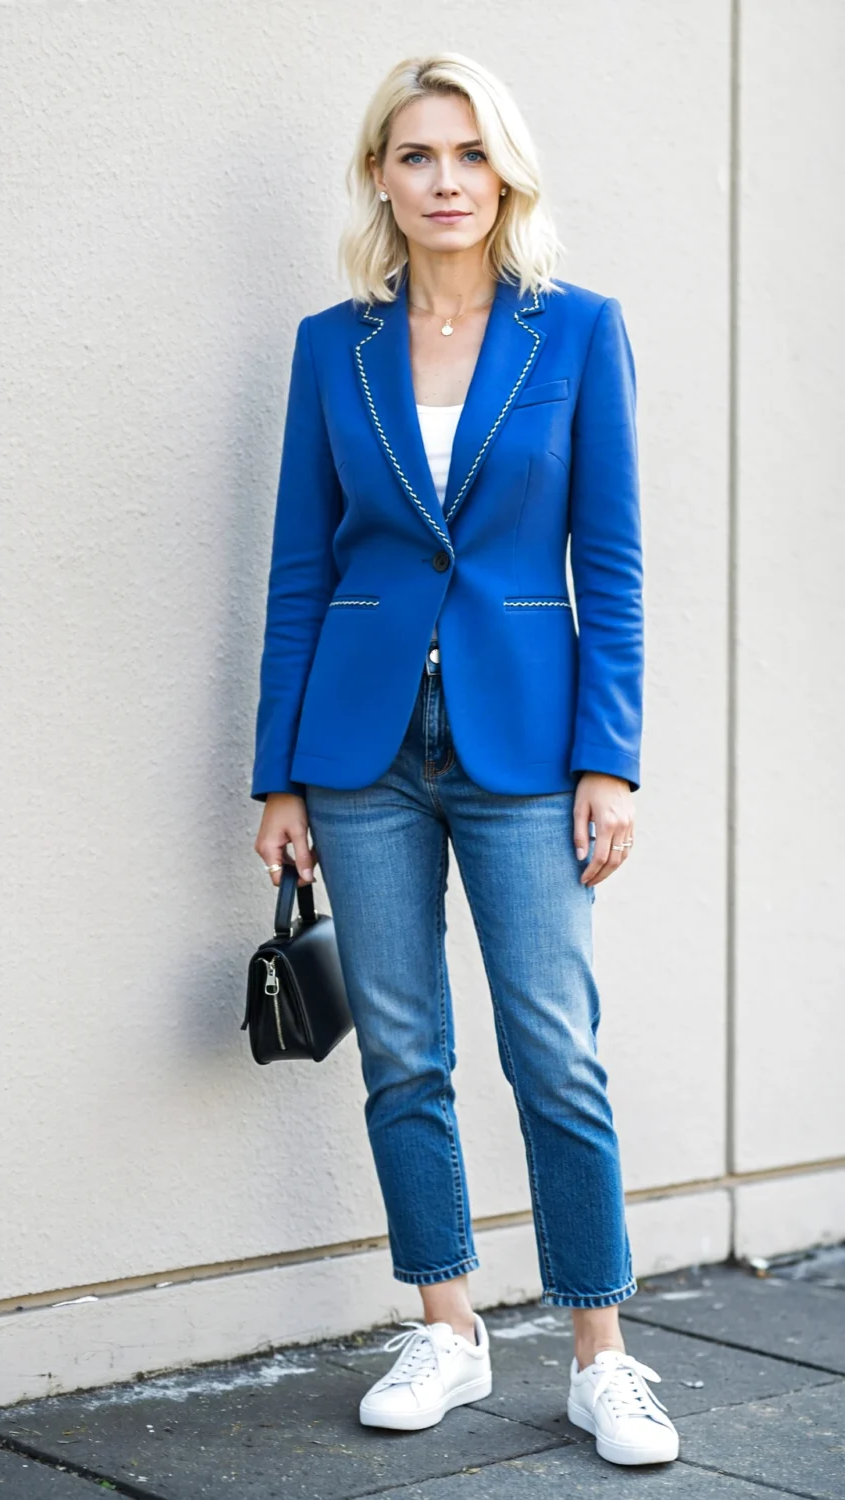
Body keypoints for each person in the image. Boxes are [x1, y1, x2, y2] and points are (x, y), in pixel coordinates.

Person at [250, 52, 679, 1467]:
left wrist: (607, 758)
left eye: (470, 156)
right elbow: (301, 571)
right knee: (405, 1057)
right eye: (418, 155)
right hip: (361, 752)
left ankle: (600, 1353)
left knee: (555, 1052)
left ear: (508, 176)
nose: (445, 182)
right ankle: (446, 1322)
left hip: (526, 744)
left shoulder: (577, 333)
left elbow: (607, 563)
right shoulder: (336, 346)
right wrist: (281, 775)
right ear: (380, 173)